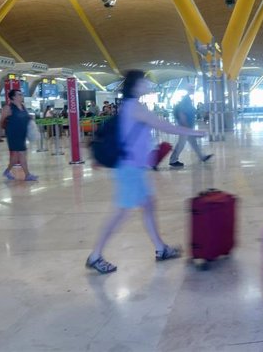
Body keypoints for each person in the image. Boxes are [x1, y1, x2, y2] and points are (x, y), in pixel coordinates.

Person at [86, 71, 207, 274]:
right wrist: (194, 132)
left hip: (133, 168)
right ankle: (95, 255)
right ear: (135, 86)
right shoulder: (135, 108)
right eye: (144, 81)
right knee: (120, 213)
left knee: (149, 205)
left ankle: (161, 249)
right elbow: (164, 126)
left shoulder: (132, 107)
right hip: (129, 169)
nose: (148, 83)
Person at [0, 89, 38, 181]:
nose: (21, 96)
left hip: (22, 134)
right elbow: (1, 121)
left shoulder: (23, 107)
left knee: (15, 157)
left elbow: (26, 117)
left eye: (21, 94)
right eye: (19, 94)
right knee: (21, 153)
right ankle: (27, 175)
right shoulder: (8, 108)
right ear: (13, 97)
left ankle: (7, 171)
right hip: (13, 134)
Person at [169, 84, 212, 169]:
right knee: (181, 144)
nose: (193, 90)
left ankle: (202, 157)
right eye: (191, 88)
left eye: (193, 88)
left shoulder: (188, 100)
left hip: (188, 127)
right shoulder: (185, 100)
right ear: (188, 90)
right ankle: (173, 160)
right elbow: (182, 113)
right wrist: (185, 126)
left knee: (194, 143)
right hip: (185, 127)